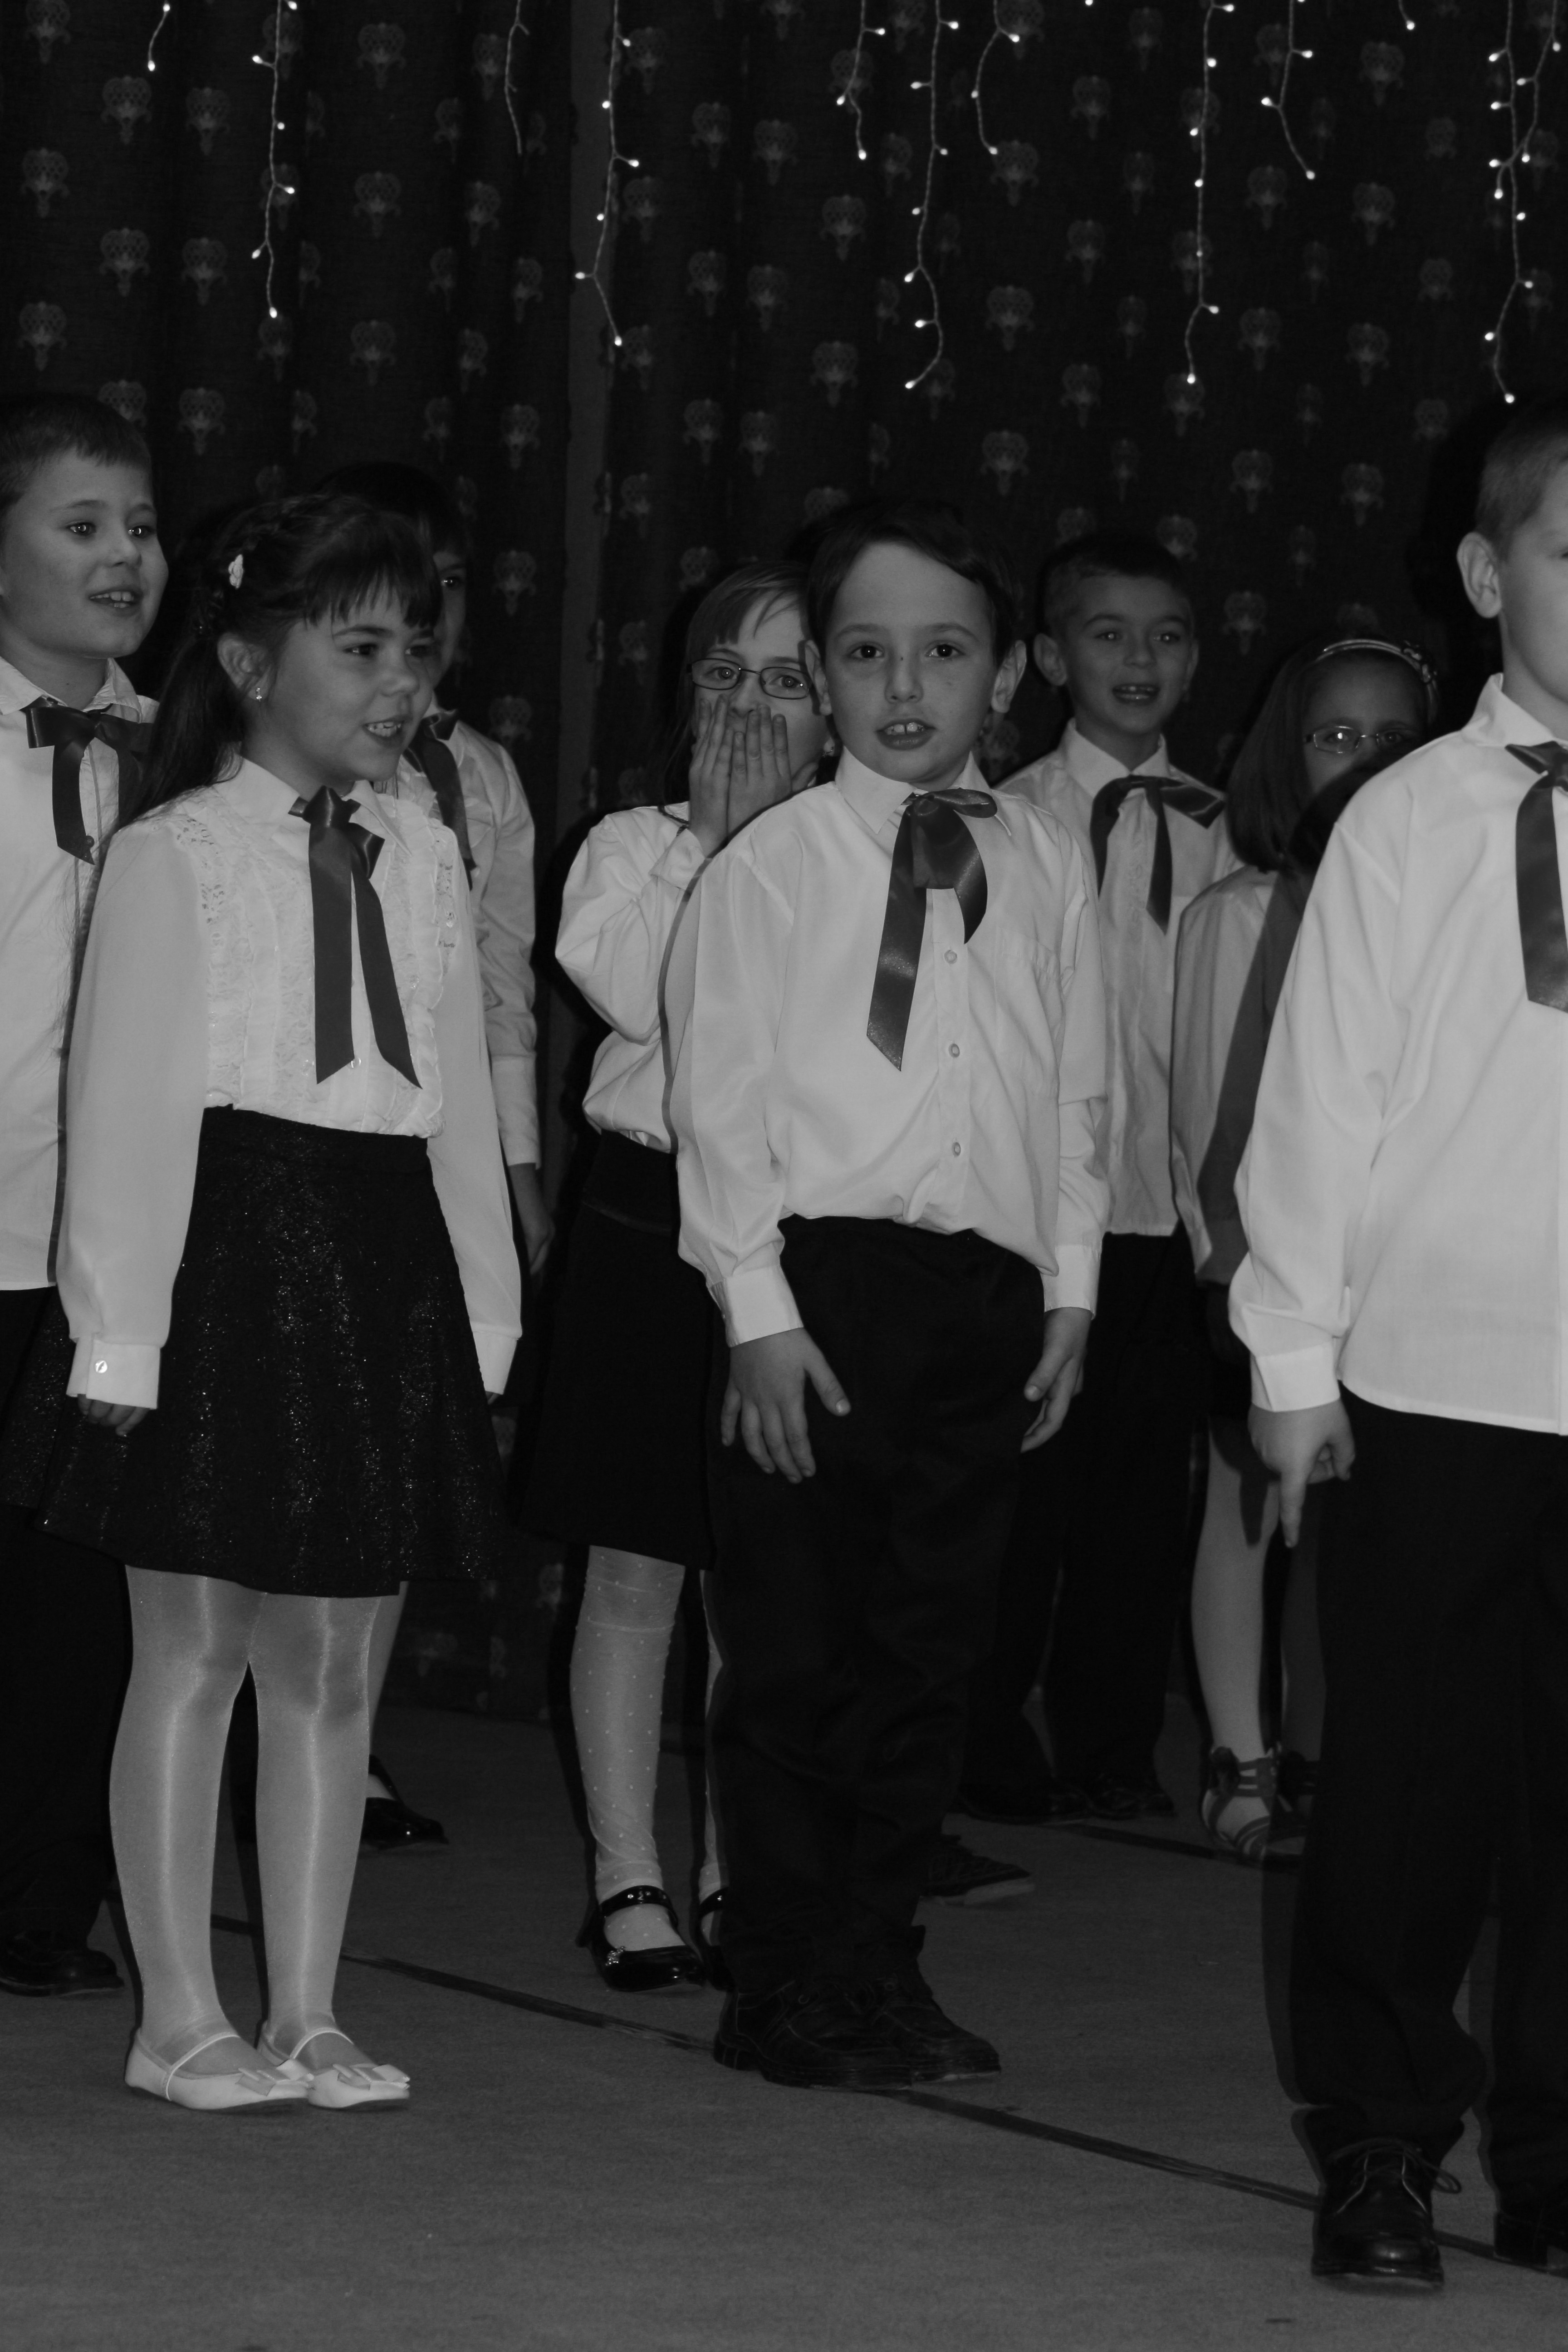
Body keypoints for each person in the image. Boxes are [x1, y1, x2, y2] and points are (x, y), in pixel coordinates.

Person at [18, 492, 519, 2112]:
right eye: (359, 648)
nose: (400, 682)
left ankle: (307, 2007)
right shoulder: (175, 855)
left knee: (337, 1659)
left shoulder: (426, 850)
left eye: (417, 649)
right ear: (247, 662)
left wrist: (487, 1314)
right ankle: (177, 2014)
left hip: (379, 1267)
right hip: (224, 1263)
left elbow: (458, 1107)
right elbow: (125, 1111)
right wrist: (118, 1335)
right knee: (196, 1646)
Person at [667, 497, 1108, 2089]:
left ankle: (877, 1960)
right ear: (827, 674)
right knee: (797, 1650)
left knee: (931, 1652)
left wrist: (1069, 1291)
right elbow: (718, 1104)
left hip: (985, 1298)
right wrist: (758, 1313)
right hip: (823, 1295)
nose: (904, 686)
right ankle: (782, 1980)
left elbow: (1077, 1089)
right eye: (864, 654)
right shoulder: (773, 867)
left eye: (943, 652)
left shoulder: (1042, 860)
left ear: (1007, 672)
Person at [1232, 394, 1568, 2286]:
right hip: (1435, 1385)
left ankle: (1561, 2160)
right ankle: (1379, 2139)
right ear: (1484, 575)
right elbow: (1321, 1102)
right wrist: (1293, 1362)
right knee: (1411, 1790)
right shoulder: (1409, 820)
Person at [526, 560, 830, 1992]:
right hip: (647, 1216)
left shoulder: (864, 855)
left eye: (786, 680)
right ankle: (626, 1872)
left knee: (757, 1572)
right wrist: (715, 841)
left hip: (791, 1227)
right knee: (637, 1560)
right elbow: (652, 1002)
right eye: (725, 675)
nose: (753, 707)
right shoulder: (627, 847)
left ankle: (735, 1870)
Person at [959, 530, 1231, 1825]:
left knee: (1141, 1492)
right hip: (1039, 1219)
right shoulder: (1006, 821)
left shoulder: (1226, 834)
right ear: (1053, 658)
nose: (1139, 659)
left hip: (1171, 1220)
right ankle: (982, 1734)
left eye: (1166, 636)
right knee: (1021, 1488)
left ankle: (1112, 1742)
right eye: (1108, 633)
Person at [1170, 632, 1436, 1860]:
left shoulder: (1446, 904)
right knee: (1248, 1501)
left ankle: (1331, 1750)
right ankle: (1241, 1752)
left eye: (1394, 739)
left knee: (1355, 1528)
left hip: (1405, 1278)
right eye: (1338, 736)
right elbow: (1213, 1119)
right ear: (1289, 753)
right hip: (1267, 1264)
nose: (1366, 761)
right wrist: (1247, 1269)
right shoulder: (1241, 914)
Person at [318, 460, 546, 1853]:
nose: (427, 619)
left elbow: (499, 992)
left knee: (390, 1454)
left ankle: (345, 1742)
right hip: (288, 1148)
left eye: (446, 589)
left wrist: (515, 1171)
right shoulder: (259, 756)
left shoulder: (479, 777)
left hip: (426, 1142)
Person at [0, 392, 163, 2001]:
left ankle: (39, 1896)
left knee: (82, 1593)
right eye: (83, 524)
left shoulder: (193, 753)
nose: (125, 555)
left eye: (142, 526)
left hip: (113, 1248)